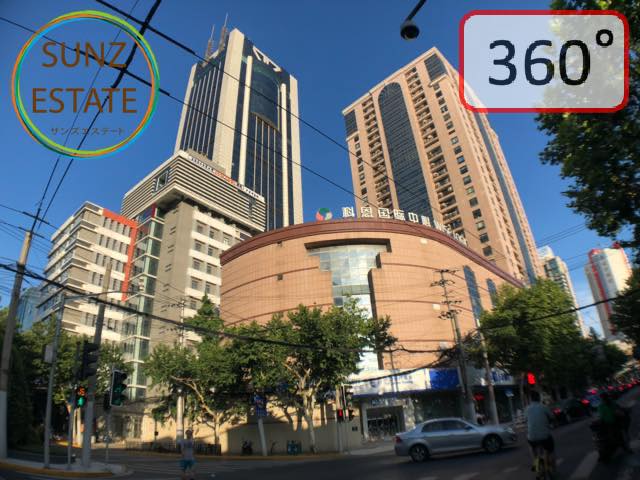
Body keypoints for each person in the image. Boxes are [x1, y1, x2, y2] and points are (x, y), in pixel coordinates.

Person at [525, 391, 556, 472]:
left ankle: (535, 461)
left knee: (531, 446)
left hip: (532, 437)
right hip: (545, 436)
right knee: (550, 450)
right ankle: (552, 467)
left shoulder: (527, 409)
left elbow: (526, 420)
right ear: (539, 398)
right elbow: (552, 417)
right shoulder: (544, 407)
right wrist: (550, 423)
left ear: (530, 399)